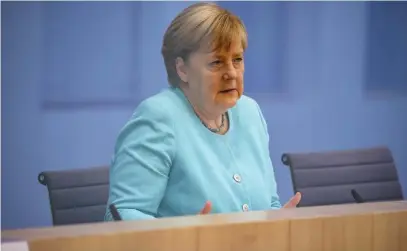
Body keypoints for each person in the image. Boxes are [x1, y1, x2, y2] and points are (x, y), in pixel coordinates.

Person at [104, 2, 301, 221]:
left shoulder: (249, 112)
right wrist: (185, 238)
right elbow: (123, 214)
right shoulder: (158, 118)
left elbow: (268, 203)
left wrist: (278, 221)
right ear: (182, 69)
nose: (232, 73)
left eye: (237, 60)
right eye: (216, 62)